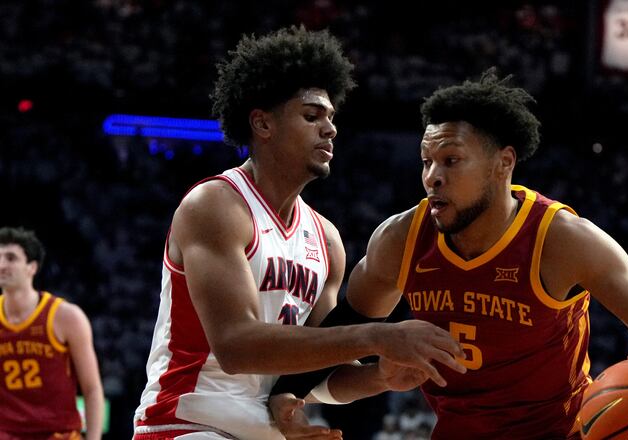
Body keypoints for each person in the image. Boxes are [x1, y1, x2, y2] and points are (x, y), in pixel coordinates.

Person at [271, 69, 628, 439]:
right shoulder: (403, 239)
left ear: (503, 163)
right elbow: (342, 331)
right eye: (426, 161)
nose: (432, 177)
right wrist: (284, 396)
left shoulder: (562, 240)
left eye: (451, 160)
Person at [133, 26, 465, 440]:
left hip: (265, 429)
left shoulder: (325, 239)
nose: (330, 130)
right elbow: (236, 347)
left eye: (331, 118)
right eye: (312, 116)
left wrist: (384, 374)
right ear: (262, 124)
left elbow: (317, 374)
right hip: (186, 422)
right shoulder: (217, 205)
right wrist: (378, 335)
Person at [0, 227, 104, 440]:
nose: (2, 265)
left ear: (32, 267)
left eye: (11, 258)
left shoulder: (66, 316)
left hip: (59, 433)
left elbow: (92, 389)